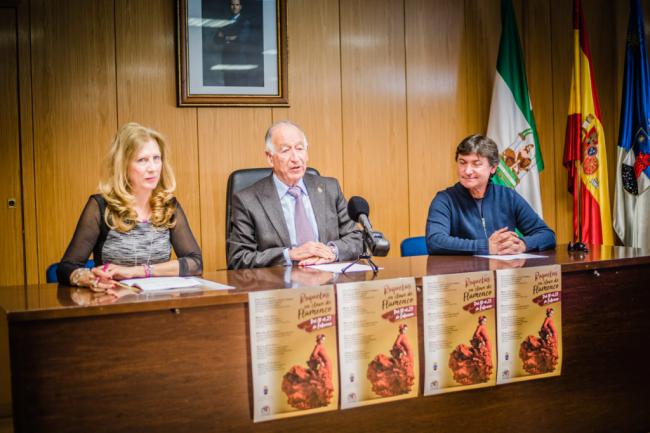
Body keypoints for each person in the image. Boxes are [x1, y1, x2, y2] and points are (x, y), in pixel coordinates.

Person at [57, 123, 202, 290]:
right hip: (113, 302)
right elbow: (66, 267)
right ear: (123, 166)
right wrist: (89, 278)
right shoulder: (101, 207)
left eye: (157, 158)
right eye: (142, 160)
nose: (153, 168)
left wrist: (135, 271)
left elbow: (195, 263)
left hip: (160, 305)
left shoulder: (168, 206)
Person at [228, 120, 362, 269]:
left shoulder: (329, 189)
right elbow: (239, 258)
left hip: (329, 284)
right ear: (270, 158)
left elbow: (356, 239)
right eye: (285, 150)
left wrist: (331, 252)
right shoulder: (248, 200)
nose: (295, 158)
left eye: (300, 149)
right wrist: (289, 254)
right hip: (279, 287)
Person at [426, 134, 556, 255]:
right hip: (464, 276)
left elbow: (547, 235)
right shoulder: (444, 200)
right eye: (462, 162)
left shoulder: (508, 196)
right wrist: (486, 247)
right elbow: (435, 241)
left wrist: (522, 245)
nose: (467, 171)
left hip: (503, 275)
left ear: (493, 168)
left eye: (476, 164)